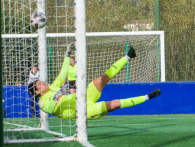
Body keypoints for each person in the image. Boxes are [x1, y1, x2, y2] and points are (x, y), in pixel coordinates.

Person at [28, 44, 161, 120]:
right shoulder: (42, 102)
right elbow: (51, 108)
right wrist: (56, 96)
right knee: (116, 103)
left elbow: (63, 73)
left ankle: (128, 56)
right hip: (83, 110)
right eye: (40, 83)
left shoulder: (52, 88)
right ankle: (148, 97)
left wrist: (67, 54)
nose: (43, 82)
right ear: (38, 91)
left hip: (82, 96)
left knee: (103, 78)